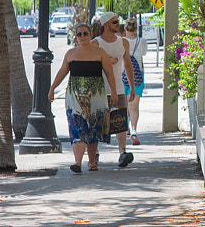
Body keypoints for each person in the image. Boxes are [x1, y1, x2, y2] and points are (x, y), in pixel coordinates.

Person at [49, 22, 130, 172]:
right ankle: (77, 162)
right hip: (74, 96)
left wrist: (113, 92)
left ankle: (92, 162)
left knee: (93, 128)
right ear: (76, 37)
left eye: (85, 33)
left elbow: (109, 73)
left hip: (96, 95)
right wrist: (52, 88)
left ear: (91, 35)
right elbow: (62, 72)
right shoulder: (71, 54)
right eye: (79, 34)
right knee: (77, 127)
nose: (82, 36)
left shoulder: (100, 53)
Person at [93, 11, 141, 154]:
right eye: (115, 22)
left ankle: (122, 152)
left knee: (120, 122)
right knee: (96, 123)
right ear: (106, 25)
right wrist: (106, 59)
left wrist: (132, 87)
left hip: (119, 88)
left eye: (118, 22)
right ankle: (94, 154)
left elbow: (128, 66)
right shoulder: (95, 43)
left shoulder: (123, 42)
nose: (118, 25)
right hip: (99, 90)